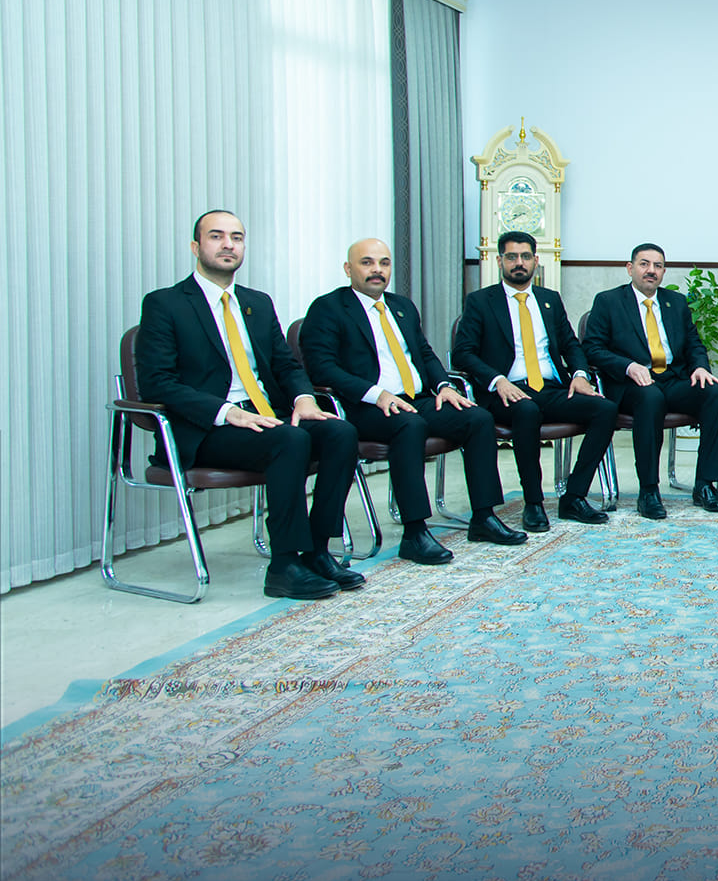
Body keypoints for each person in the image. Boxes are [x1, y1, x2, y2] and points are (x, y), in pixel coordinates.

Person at [134, 210, 360, 600]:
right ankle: (284, 565)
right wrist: (227, 412)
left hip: (265, 418)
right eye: (216, 236)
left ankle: (318, 551)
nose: (228, 245)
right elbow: (158, 382)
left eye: (236, 237)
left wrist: (304, 398)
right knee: (290, 440)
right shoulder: (165, 304)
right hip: (208, 428)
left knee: (340, 432)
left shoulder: (257, 302)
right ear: (195, 247)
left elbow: (285, 364)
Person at [301, 238, 527, 562]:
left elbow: (424, 353)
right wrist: (376, 394)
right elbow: (322, 368)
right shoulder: (328, 308)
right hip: (365, 406)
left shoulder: (402, 306)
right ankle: (415, 531)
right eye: (367, 262)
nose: (377, 270)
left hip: (416, 399)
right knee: (409, 425)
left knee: (477, 418)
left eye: (384, 263)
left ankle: (484, 517)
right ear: (348, 269)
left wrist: (444, 386)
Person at [451, 231, 614, 531]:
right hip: (506, 392)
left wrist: (580, 375)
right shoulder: (481, 301)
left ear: (536, 261)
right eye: (512, 257)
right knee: (527, 411)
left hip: (551, 388)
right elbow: (463, 353)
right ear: (499, 261)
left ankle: (574, 497)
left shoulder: (549, 299)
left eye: (525, 257)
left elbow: (570, 344)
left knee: (605, 409)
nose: (519, 263)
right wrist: (497, 380)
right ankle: (534, 502)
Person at [580, 242, 718, 520]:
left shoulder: (676, 303)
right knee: (651, 398)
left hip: (672, 378)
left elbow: (694, 344)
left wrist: (700, 367)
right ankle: (648, 490)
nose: (651, 270)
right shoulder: (609, 301)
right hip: (630, 385)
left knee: (716, 393)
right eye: (644, 264)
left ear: (663, 272)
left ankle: (705, 484)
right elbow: (592, 349)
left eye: (658, 266)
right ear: (630, 268)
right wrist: (628, 366)